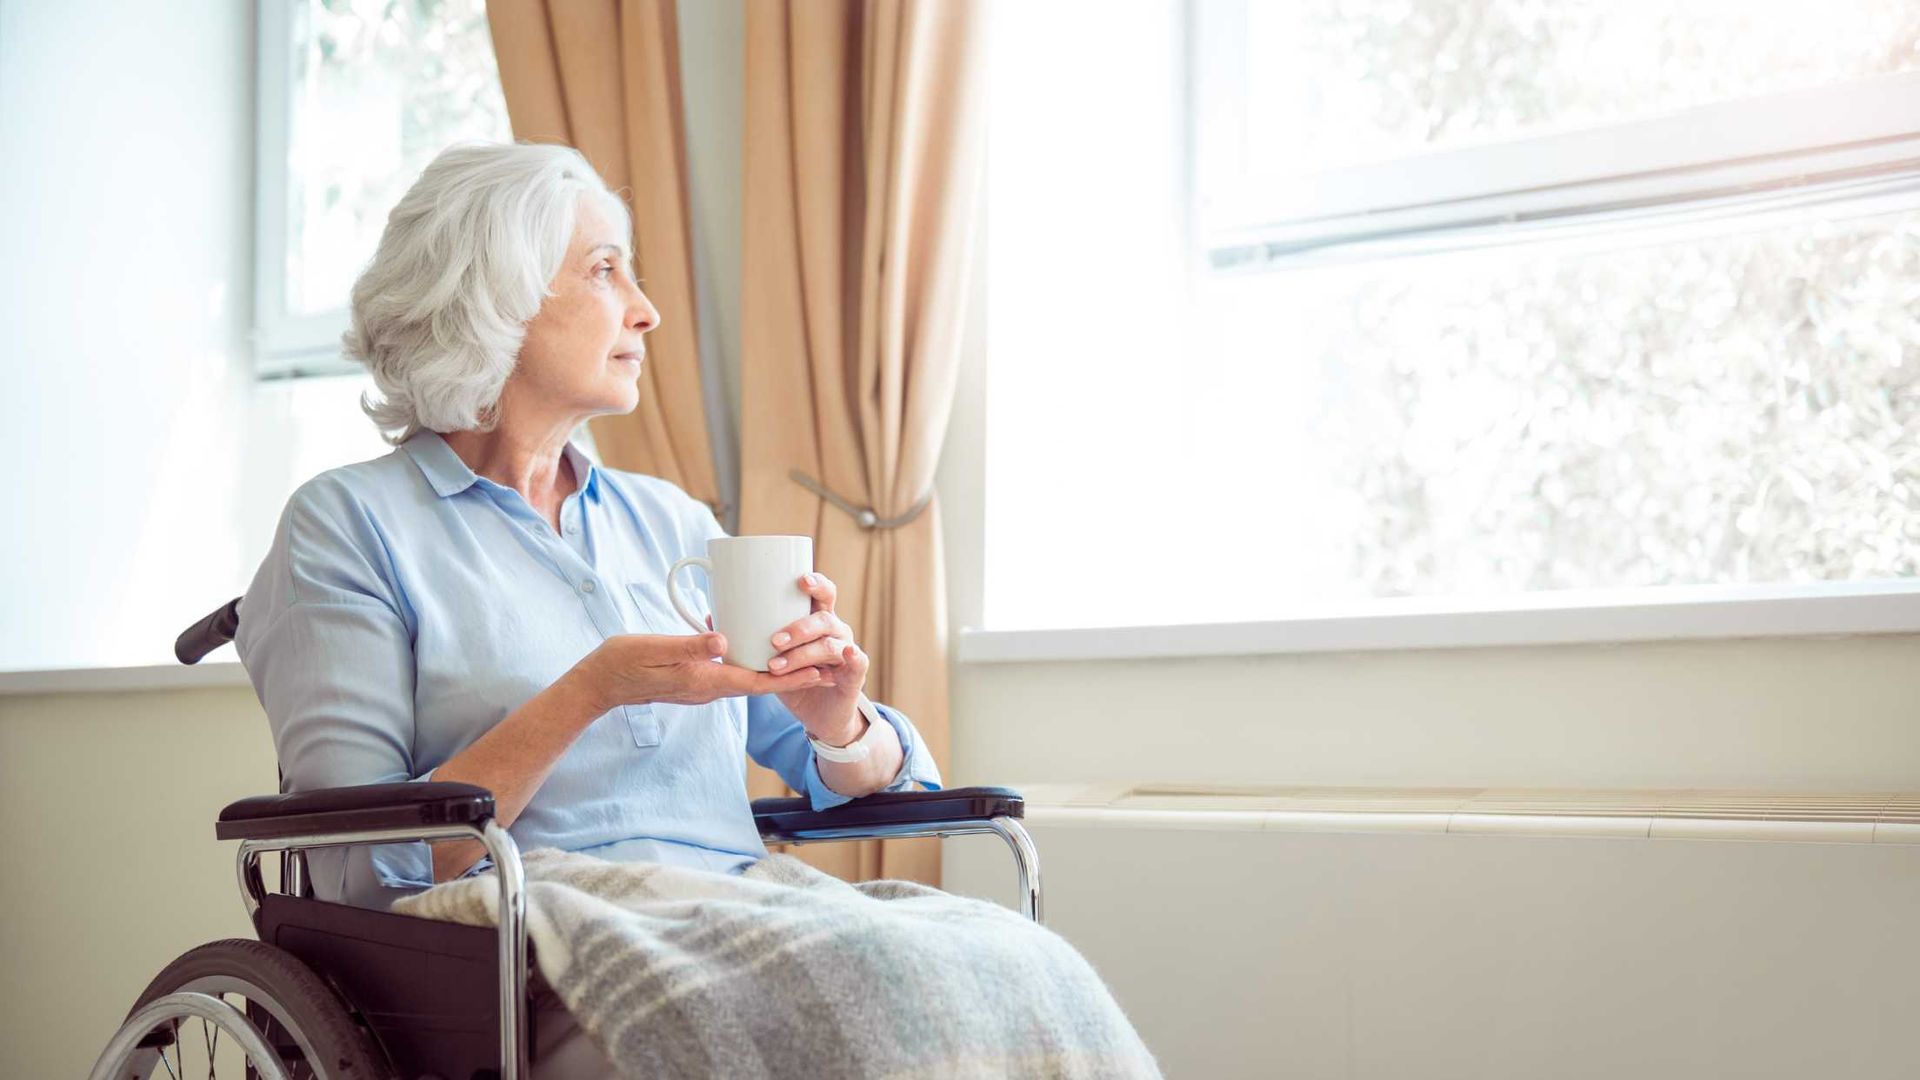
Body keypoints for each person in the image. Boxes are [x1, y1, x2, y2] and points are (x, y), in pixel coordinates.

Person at [232, 141, 943, 1076]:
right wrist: (591, 690)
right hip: (526, 953)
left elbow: (891, 790)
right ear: (494, 298)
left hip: (738, 915)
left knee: (988, 970)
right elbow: (372, 871)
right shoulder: (351, 524)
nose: (646, 311)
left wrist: (837, 719)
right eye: (605, 272)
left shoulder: (670, 521)